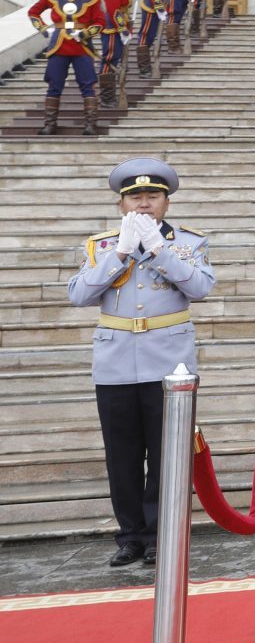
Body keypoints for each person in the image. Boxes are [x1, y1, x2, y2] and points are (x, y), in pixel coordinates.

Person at [65, 159, 215, 567]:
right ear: (121, 204)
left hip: (169, 361)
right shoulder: (101, 246)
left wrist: (159, 252)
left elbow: (200, 287)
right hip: (115, 360)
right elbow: (78, 295)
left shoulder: (189, 243)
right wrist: (122, 253)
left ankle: (159, 534)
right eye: (135, 197)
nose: (144, 205)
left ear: (166, 203)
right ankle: (129, 536)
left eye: (153, 197)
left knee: (167, 453)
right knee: (122, 454)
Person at [29, 0, 108, 136]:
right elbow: (33, 12)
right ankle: (50, 124)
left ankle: (90, 124)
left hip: (83, 46)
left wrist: (84, 34)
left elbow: (100, 21)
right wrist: (43, 29)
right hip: (58, 44)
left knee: (88, 85)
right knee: (54, 85)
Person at [98, 0, 133, 112]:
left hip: (119, 25)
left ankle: (109, 94)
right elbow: (113, 8)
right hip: (112, 27)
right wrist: (122, 28)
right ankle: (106, 97)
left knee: (115, 58)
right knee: (109, 59)